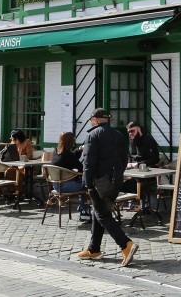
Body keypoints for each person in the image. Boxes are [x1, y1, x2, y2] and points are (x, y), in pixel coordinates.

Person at [78, 108, 137, 267]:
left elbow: (88, 163)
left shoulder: (92, 135)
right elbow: (125, 159)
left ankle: (125, 244)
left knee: (103, 215)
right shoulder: (118, 135)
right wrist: (117, 176)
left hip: (99, 182)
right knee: (99, 212)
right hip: (115, 181)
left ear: (95, 120)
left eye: (91, 120)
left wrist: (88, 183)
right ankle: (93, 248)